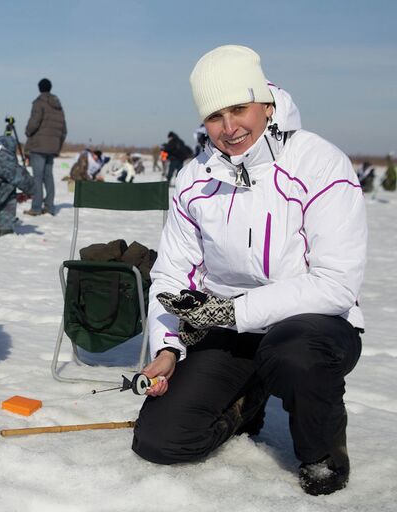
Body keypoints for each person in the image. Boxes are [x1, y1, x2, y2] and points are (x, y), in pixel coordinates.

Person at [131, 45, 366, 497]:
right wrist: (167, 349)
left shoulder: (318, 162)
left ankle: (323, 453)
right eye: (214, 116)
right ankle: (248, 398)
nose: (229, 127)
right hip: (230, 329)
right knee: (160, 441)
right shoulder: (194, 178)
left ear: (266, 103)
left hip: (311, 329)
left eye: (239, 108)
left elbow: (335, 285)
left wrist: (229, 313)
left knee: (291, 354)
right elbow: (171, 275)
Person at [24, 78, 67, 216]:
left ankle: (36, 208)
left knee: (37, 177)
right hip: (52, 147)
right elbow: (64, 129)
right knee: (48, 176)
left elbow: (34, 122)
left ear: (39, 88)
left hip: (39, 146)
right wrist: (57, 146)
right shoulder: (58, 106)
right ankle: (49, 207)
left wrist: (28, 131)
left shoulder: (39, 103)